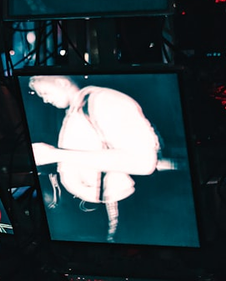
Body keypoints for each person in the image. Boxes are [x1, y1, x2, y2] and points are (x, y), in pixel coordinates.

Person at [28, 75, 160, 242]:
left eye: (45, 92)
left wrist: (55, 154)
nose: (45, 100)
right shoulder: (78, 107)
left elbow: (143, 162)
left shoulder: (103, 100)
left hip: (119, 208)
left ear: (61, 82)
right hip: (100, 209)